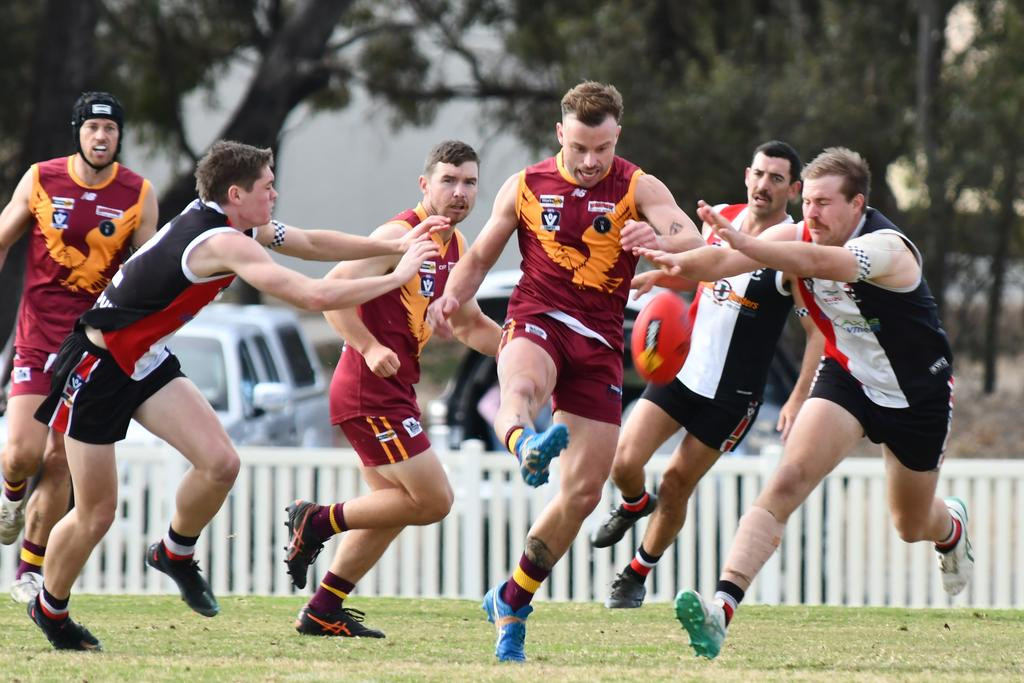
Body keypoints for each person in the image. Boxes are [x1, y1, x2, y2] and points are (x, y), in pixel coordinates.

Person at [24, 139, 441, 651]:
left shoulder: (236, 223)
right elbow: (309, 295)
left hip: (144, 358)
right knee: (96, 512)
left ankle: (173, 552)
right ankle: (51, 609)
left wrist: (392, 246)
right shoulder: (223, 242)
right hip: (99, 365)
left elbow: (308, 242)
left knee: (221, 464)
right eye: (268, 186)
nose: (276, 193)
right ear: (237, 193)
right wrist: (398, 276)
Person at [641, 147, 969, 659]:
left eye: (823, 203)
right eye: (808, 201)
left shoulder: (888, 248)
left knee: (910, 524)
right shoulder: (797, 235)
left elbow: (821, 263)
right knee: (786, 481)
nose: (810, 213)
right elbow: (724, 261)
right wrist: (677, 261)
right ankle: (719, 613)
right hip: (848, 380)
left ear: (857, 204)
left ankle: (950, 528)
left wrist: (747, 241)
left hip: (916, 397)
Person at [426, 81, 704, 662]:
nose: (589, 160)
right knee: (521, 385)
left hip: (601, 344)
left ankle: (511, 597)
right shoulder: (525, 185)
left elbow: (691, 238)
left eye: (601, 147)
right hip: (537, 318)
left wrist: (658, 240)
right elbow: (478, 257)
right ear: (560, 134)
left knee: (580, 495)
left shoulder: (637, 185)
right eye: (579, 146)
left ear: (616, 137)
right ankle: (526, 442)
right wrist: (453, 298)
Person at [590, 141, 825, 610]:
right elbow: (703, 272)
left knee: (677, 481)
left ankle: (636, 574)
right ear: (746, 175)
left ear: (794, 189)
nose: (764, 185)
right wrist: (662, 276)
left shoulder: (794, 249)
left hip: (732, 397)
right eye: (759, 174)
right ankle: (636, 502)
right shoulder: (719, 216)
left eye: (777, 178)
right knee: (622, 461)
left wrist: (799, 398)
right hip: (681, 371)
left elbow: (817, 332)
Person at [283, 140, 501, 638]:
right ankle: (314, 520)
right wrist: (366, 345)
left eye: (469, 182)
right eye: (448, 180)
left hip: (393, 390)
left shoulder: (454, 248)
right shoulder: (399, 234)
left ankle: (323, 608)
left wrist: (525, 348)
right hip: (369, 388)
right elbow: (330, 296)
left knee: (393, 507)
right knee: (434, 500)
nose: (460, 192)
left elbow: (468, 324)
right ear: (425, 185)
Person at [0, 92, 159, 604]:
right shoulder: (42, 178)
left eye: (110, 130)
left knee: (60, 458)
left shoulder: (138, 193)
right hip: (37, 335)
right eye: (92, 128)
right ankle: (10, 496)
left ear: (119, 137)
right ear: (78, 132)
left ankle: (28, 569)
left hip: (92, 344)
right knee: (23, 453)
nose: (100, 137)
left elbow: (148, 269)